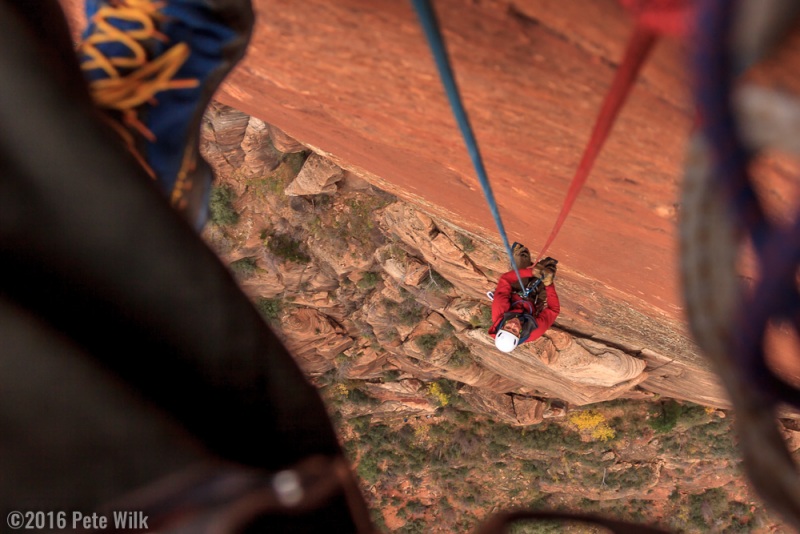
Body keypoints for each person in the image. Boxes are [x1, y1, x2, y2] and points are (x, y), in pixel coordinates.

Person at [488, 243, 560, 353]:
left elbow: (505, 280)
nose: (513, 325)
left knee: (520, 254)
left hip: (516, 291)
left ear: (502, 327)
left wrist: (531, 272)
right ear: (520, 333)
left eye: (508, 328)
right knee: (548, 268)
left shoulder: (499, 313)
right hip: (534, 301)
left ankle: (522, 258)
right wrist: (548, 284)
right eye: (515, 330)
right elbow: (553, 310)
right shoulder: (534, 331)